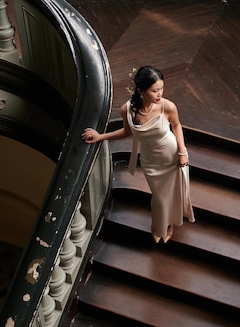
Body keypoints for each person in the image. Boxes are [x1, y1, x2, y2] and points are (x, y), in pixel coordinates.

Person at [82, 65, 194, 243]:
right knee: (159, 196)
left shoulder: (168, 106)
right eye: (155, 90)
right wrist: (100, 137)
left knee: (173, 193)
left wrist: (183, 152)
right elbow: (127, 132)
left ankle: (166, 224)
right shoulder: (128, 110)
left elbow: (177, 126)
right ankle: (161, 224)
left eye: (161, 89)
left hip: (171, 155)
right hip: (151, 160)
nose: (160, 94)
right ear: (141, 90)